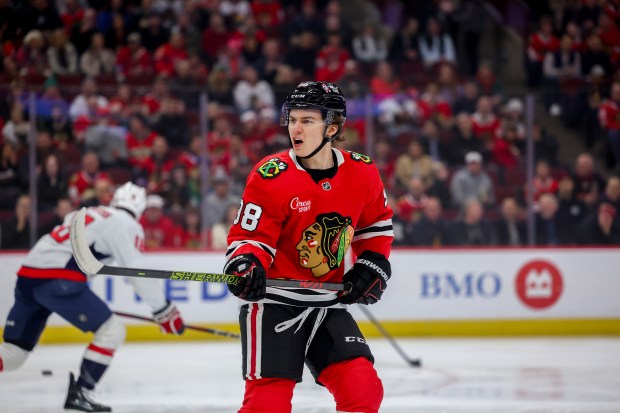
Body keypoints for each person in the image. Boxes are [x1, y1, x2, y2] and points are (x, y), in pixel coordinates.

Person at [223, 81, 393, 413]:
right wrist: (247, 263)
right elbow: (251, 237)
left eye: (307, 121)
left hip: (328, 305)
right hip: (274, 305)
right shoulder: (271, 175)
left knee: (363, 391)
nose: (295, 129)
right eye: (292, 119)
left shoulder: (362, 171)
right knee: (267, 404)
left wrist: (372, 264)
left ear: (332, 127)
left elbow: (375, 228)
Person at [0, 182, 185, 413]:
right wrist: (164, 310)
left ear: (115, 199)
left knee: (14, 352)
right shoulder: (126, 224)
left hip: (28, 274)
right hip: (58, 279)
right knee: (112, 331)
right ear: (140, 208)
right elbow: (136, 270)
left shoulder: (89, 213)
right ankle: (83, 392)